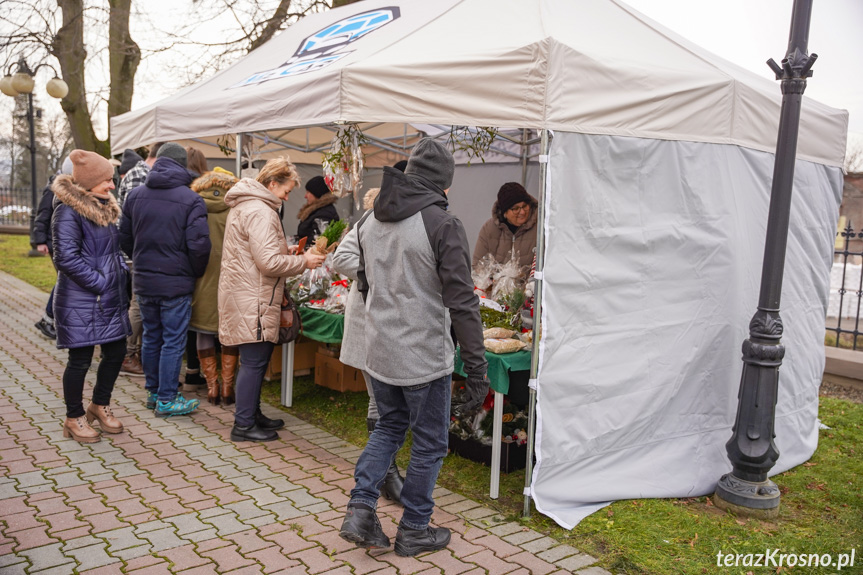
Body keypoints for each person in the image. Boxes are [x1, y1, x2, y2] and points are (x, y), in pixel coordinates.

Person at [338, 138, 488, 556]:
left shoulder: (371, 218)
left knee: (387, 428)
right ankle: (415, 528)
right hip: (422, 353)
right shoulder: (442, 224)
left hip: (380, 347)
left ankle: (360, 509)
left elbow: (364, 280)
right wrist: (476, 369)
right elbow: (462, 302)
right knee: (429, 443)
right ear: (444, 184)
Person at [218, 157, 326, 442]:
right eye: (286, 190)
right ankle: (243, 425)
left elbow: (257, 253)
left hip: (247, 292)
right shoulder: (261, 211)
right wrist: (304, 261)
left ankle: (252, 414)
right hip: (253, 296)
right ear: (272, 183)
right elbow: (267, 263)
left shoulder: (248, 205)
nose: (288, 197)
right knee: (254, 361)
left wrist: (284, 250)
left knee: (255, 359)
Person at [119, 142, 211, 417]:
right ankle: (168, 399)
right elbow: (199, 246)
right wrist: (194, 271)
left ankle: (154, 393)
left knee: (152, 338)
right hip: (176, 282)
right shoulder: (191, 199)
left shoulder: (135, 196)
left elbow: (124, 239)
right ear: (182, 165)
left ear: (158, 161)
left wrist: (142, 258)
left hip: (144, 279)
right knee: (172, 340)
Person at [51, 150, 131, 443]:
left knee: (116, 352)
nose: (112, 185)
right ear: (89, 182)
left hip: (108, 297)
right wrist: (100, 283)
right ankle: (74, 417)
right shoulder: (68, 210)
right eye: (107, 180)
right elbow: (66, 258)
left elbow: (110, 252)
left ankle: (99, 404)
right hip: (82, 299)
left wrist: (121, 271)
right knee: (80, 359)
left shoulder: (103, 207)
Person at [332, 186, 404, 505]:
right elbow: (342, 258)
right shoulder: (367, 223)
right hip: (367, 323)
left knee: (389, 403)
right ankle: (385, 476)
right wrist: (378, 276)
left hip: (392, 327)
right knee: (381, 404)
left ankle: (384, 473)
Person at [189, 164, 240, 405]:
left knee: (203, 330)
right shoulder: (237, 208)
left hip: (201, 277)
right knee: (230, 332)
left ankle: (212, 388)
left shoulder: (194, 206)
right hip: (231, 278)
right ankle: (228, 388)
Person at [118, 144, 162, 376]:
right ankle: (126, 355)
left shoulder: (141, 173)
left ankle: (131, 354)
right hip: (136, 255)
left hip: (139, 254)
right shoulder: (139, 175)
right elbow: (135, 221)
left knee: (139, 304)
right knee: (137, 305)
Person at [32, 154, 74, 340]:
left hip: (61, 241)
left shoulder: (69, 187)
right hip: (53, 241)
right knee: (64, 280)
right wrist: (39, 241)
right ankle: (47, 319)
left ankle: (53, 320)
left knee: (65, 280)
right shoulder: (53, 188)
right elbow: (42, 215)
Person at [472, 182, 538, 271]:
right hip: (496, 284)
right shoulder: (489, 229)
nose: (522, 212)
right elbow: (478, 266)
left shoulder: (540, 228)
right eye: (516, 209)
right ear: (505, 213)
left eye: (525, 206)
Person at [296, 175, 339, 247]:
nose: (305, 196)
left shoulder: (325, 214)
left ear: (317, 193)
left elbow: (318, 241)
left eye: (308, 192)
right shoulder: (317, 210)